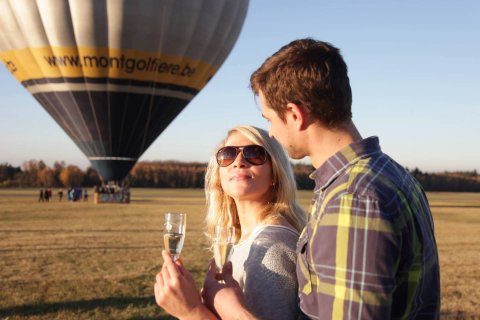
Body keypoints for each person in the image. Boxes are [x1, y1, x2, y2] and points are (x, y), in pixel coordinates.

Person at [202, 39, 441, 319]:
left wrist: (227, 310)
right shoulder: (391, 174)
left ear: (294, 115)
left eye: (270, 119)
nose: (273, 134)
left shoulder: (352, 200)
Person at [154, 125, 306, 319]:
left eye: (254, 153)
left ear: (275, 174)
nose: (239, 162)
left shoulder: (271, 246)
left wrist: (191, 312)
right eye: (227, 154)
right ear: (218, 175)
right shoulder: (245, 239)